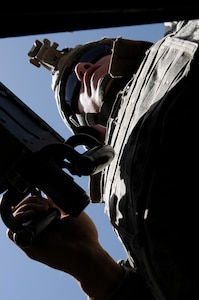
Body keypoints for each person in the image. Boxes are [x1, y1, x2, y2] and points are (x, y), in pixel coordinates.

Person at [6, 19, 199, 300]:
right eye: (73, 87)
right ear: (92, 130)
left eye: (91, 57)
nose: (83, 69)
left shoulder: (180, 37)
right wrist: (92, 265)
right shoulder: (118, 205)